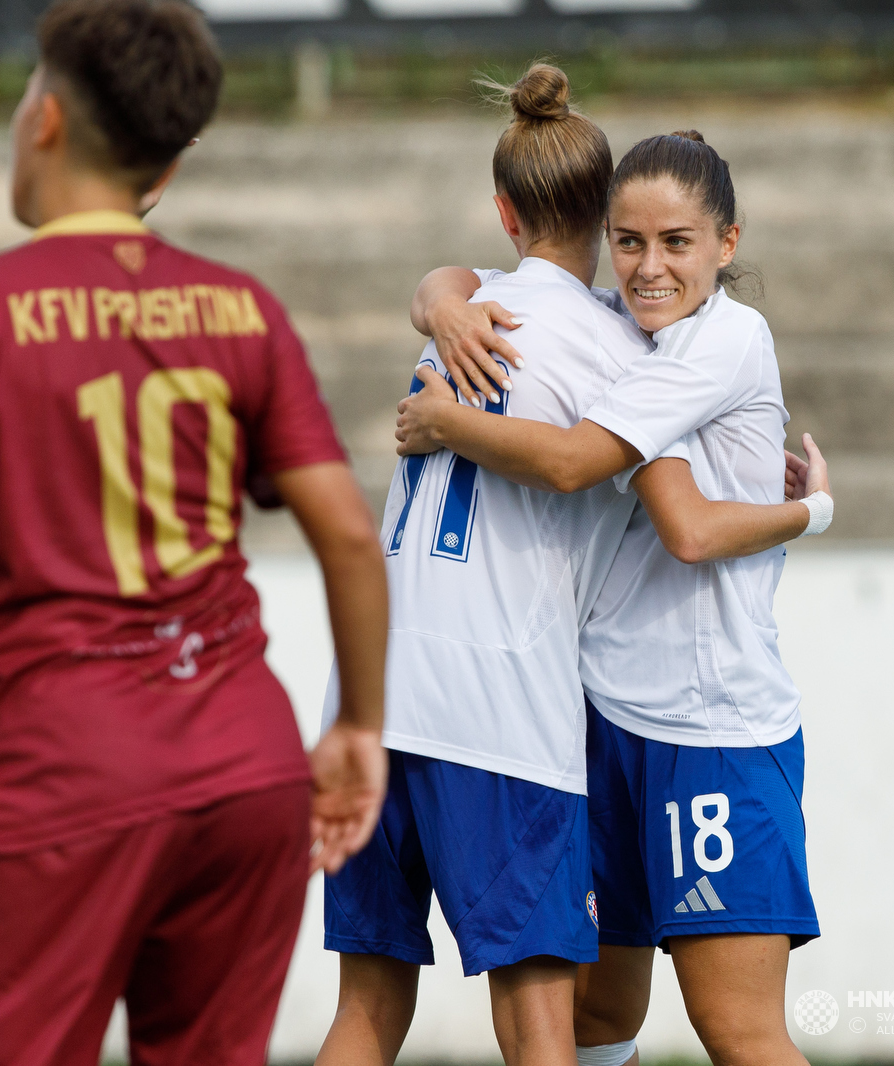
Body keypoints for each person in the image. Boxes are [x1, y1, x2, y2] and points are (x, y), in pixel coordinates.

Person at [0, 2, 390, 1064]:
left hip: (62, 774)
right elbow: (345, 535)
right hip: (245, 766)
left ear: (47, 119)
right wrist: (358, 728)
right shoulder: (241, 305)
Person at [315, 67, 827, 1066]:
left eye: (674, 243)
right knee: (562, 1022)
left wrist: (437, 331)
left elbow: (663, 514)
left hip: (467, 702)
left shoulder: (535, 320)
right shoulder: (618, 344)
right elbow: (632, 492)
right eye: (632, 240)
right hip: (533, 714)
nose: (646, 265)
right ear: (601, 219)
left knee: (381, 1012)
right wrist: (809, 508)